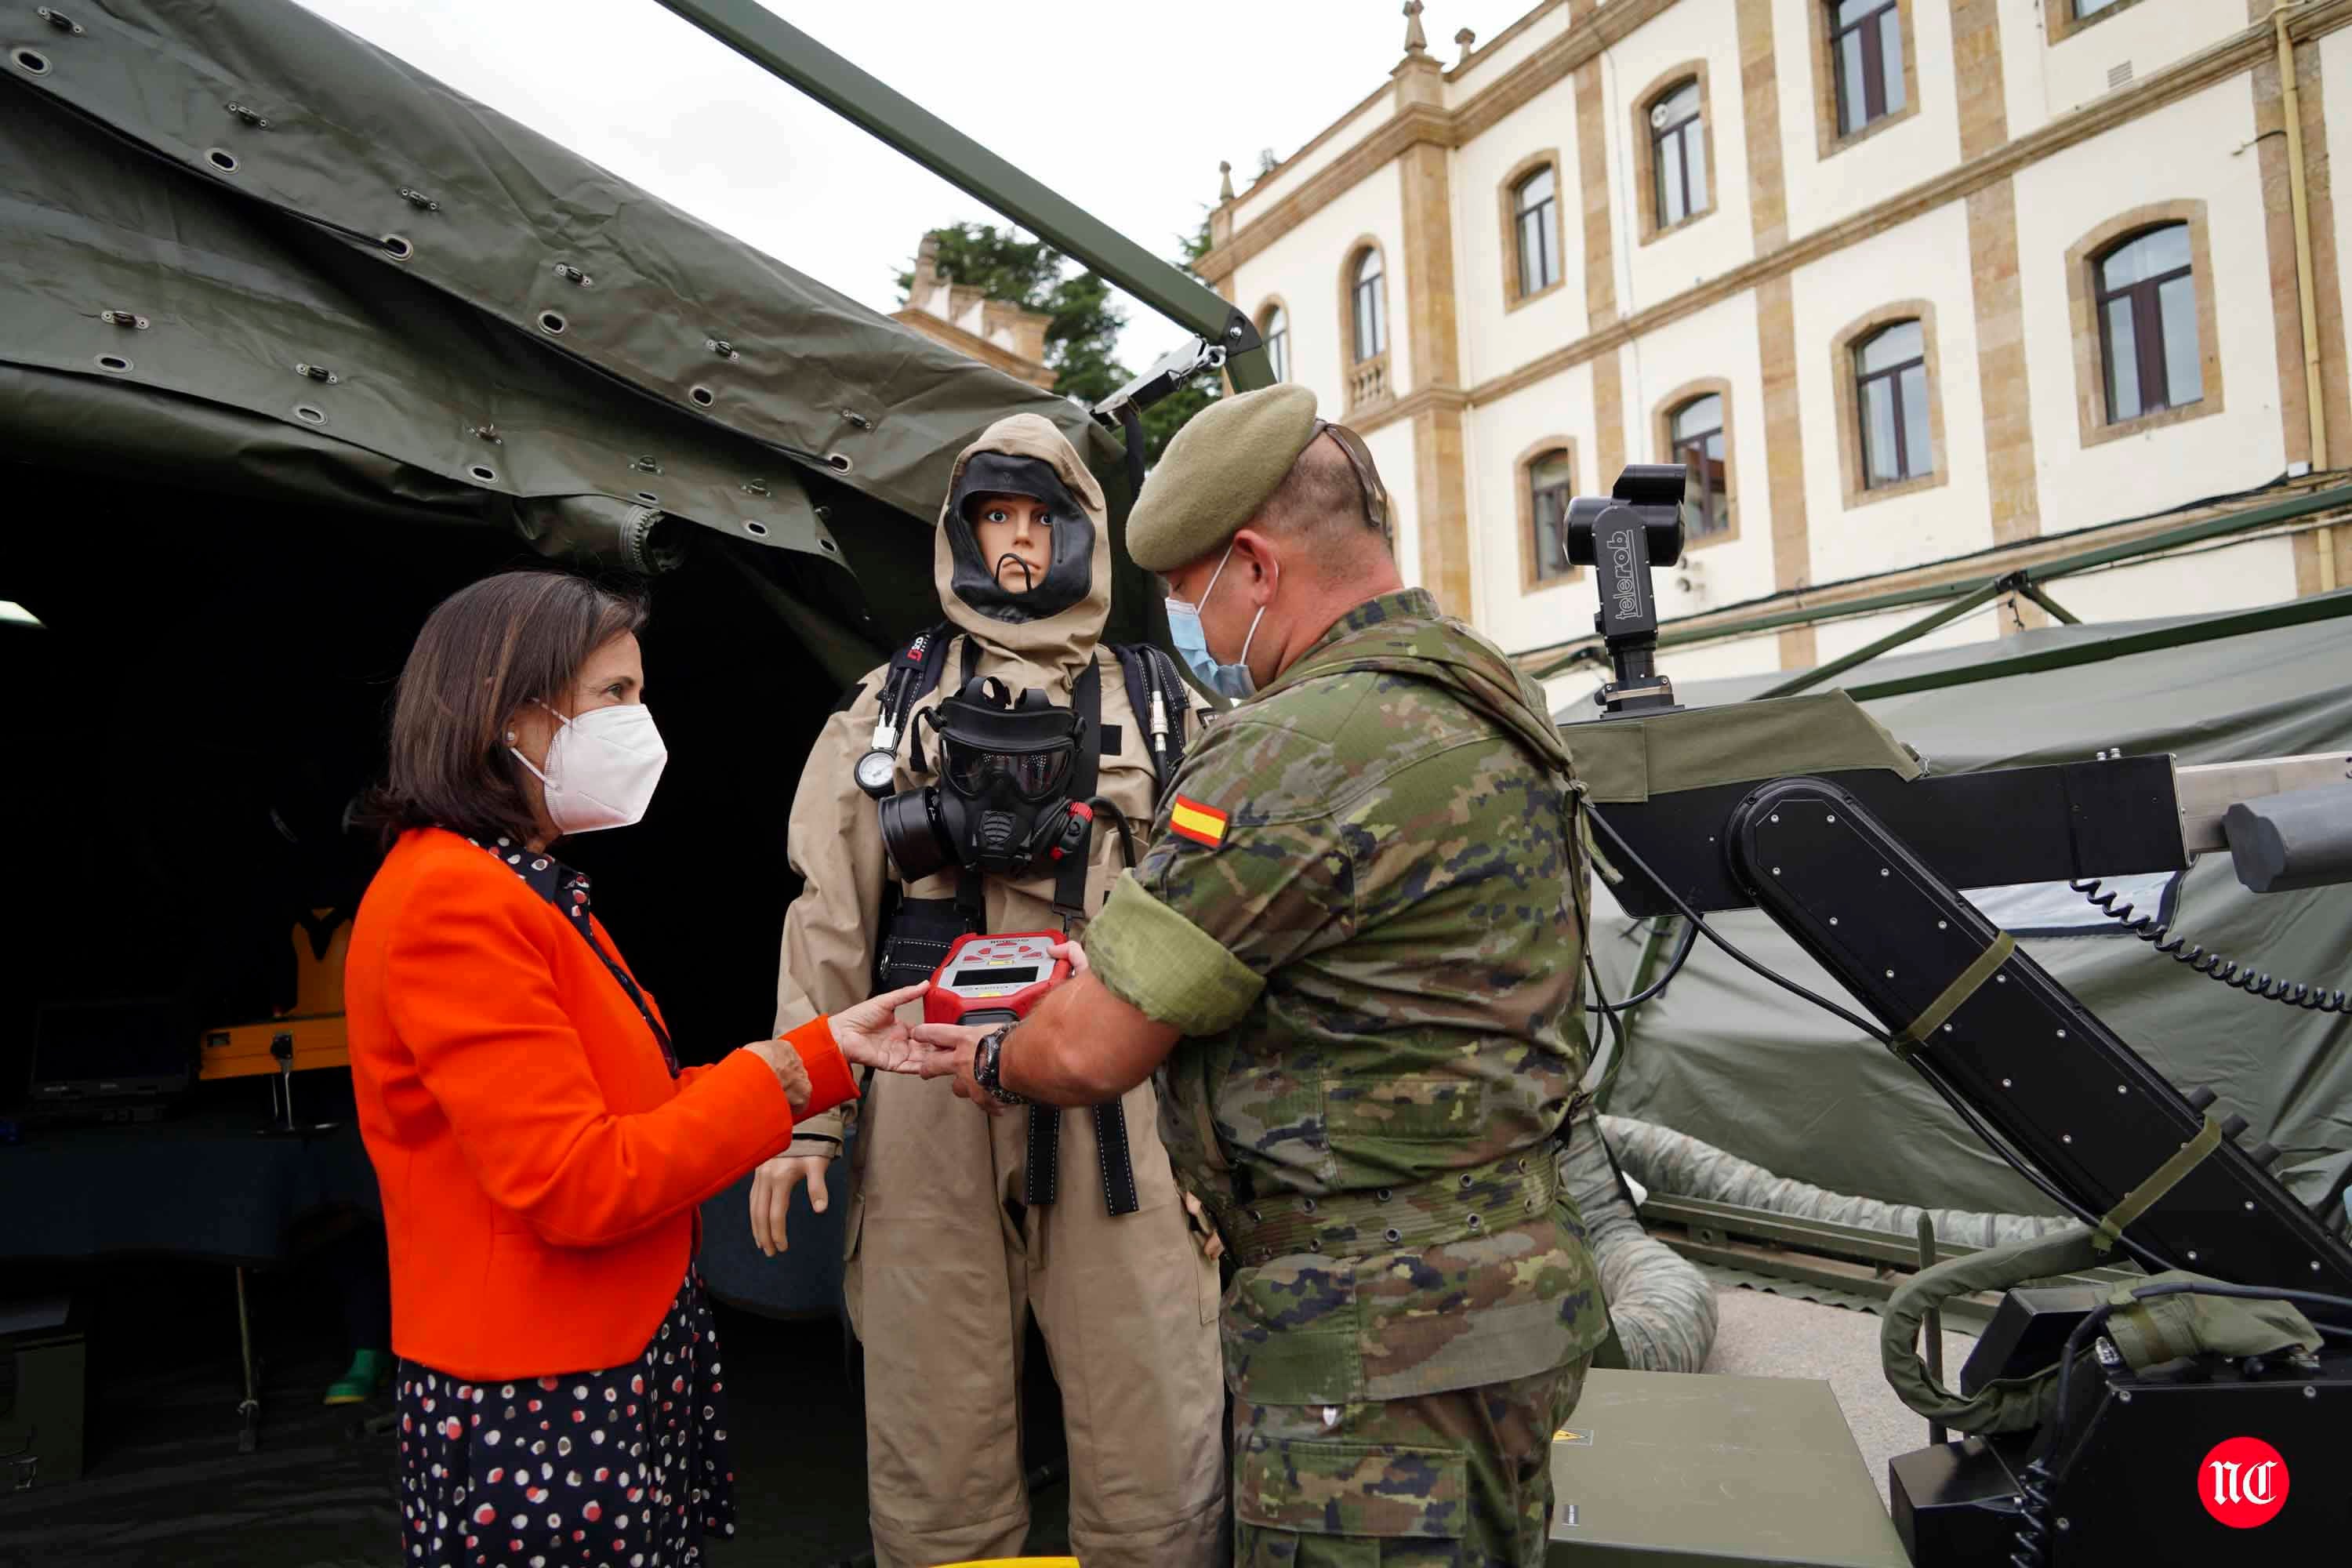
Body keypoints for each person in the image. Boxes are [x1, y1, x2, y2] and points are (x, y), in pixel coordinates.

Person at [910, 385, 1611, 1566]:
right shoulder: (1490, 699)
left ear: (1254, 564)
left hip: (1371, 1336)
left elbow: (1090, 1048)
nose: (1190, 622)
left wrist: (992, 1054)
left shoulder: (1293, 744)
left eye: (1190, 594)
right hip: (1510, 1295)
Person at [344, 571, 931, 1568]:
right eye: (615, 694)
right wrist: (788, 1076)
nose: (642, 721)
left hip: (603, 1365)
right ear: (510, 714)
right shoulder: (455, 904)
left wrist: (829, 1052)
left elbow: (638, 1111)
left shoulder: (518, 887)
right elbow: (577, 1182)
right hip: (542, 1398)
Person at [752, 414, 1228, 1567]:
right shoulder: (887, 708)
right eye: (993, 518)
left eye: (1038, 517)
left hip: (1114, 1094)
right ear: (958, 537)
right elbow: (828, 911)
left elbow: (1226, 909)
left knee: (1153, 1420)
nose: (1016, 543)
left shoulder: (1165, 709)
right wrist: (802, 1109)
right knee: (932, 1428)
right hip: (924, 1088)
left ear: (1083, 532)